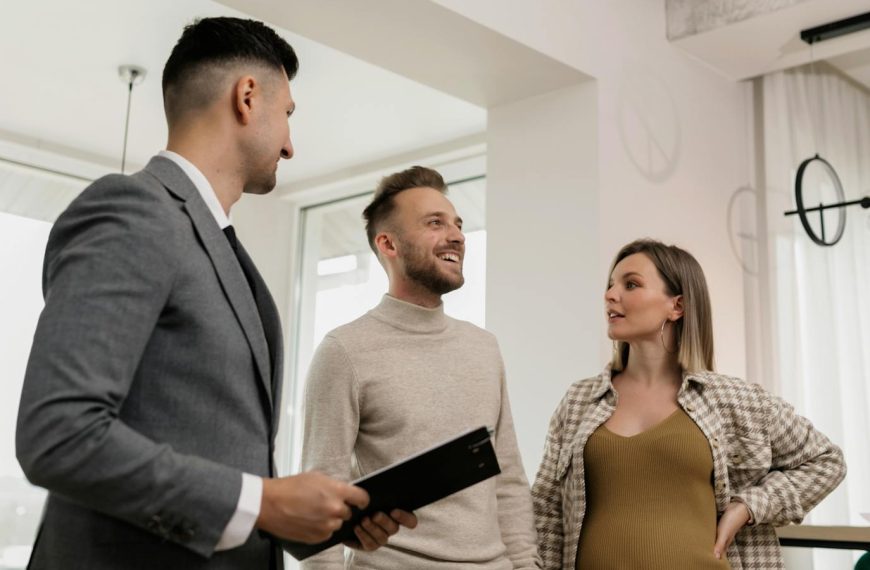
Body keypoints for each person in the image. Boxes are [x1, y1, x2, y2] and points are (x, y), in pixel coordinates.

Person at [16, 17, 413, 570]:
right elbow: (59, 434)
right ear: (247, 98)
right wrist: (263, 501)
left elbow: (221, 455)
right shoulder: (134, 210)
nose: (291, 146)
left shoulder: (217, 243)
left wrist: (303, 524)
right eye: (289, 116)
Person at [532, 238, 846, 570]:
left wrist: (748, 507)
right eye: (610, 286)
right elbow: (546, 511)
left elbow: (826, 461)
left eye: (631, 284)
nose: (610, 295)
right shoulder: (579, 401)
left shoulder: (734, 401)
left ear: (677, 306)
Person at [300, 166, 541, 569]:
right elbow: (322, 497)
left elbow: (509, 483)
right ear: (388, 244)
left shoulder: (484, 348)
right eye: (435, 223)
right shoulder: (344, 351)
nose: (457, 236)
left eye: (458, 225)